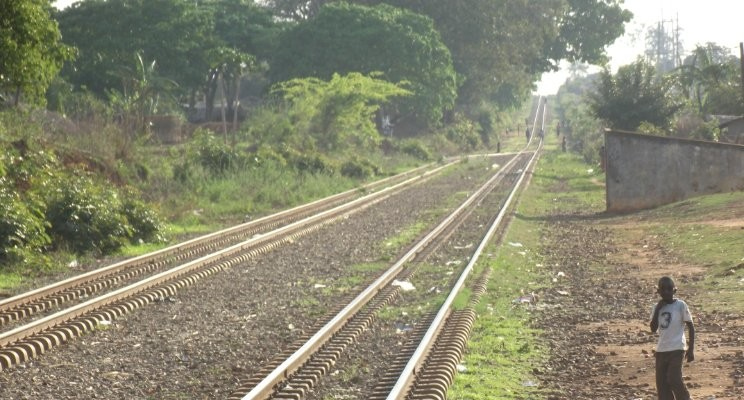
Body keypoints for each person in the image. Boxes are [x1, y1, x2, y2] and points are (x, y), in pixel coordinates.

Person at [650, 276, 695, 400]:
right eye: (663, 289)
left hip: (677, 348)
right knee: (662, 384)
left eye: (669, 289)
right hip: (661, 351)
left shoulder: (680, 305)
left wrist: (691, 349)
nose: (666, 292)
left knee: (674, 378)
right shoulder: (656, 307)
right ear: (658, 291)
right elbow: (653, 328)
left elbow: (691, 327)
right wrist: (658, 309)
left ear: (674, 291)